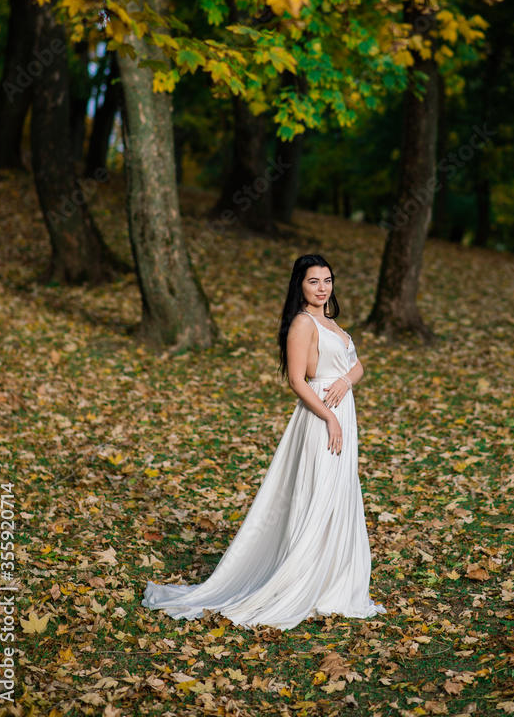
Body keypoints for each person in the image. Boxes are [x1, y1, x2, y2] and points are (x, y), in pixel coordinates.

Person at [140, 253, 386, 630]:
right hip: (322, 417)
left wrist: (345, 381)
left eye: (327, 280)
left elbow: (358, 365)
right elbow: (297, 380)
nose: (322, 288)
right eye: (313, 282)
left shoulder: (331, 322)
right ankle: (301, 579)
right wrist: (330, 415)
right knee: (319, 494)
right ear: (299, 285)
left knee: (340, 494)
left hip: (341, 412)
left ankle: (333, 580)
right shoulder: (303, 324)